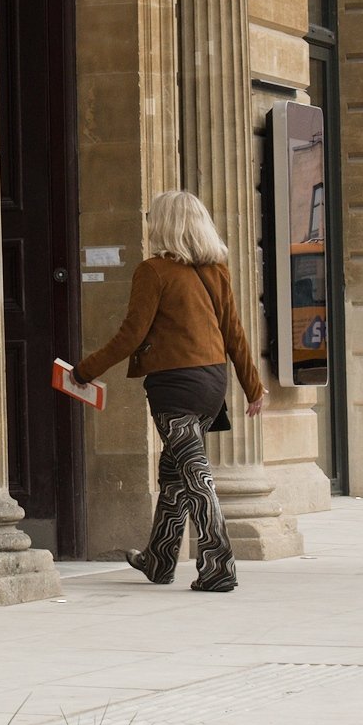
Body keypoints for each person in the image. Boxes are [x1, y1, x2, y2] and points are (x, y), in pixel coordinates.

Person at [70, 190, 266, 593]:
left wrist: (85, 371)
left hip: (175, 388)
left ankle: (218, 565)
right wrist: (253, 387)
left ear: (165, 224)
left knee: (196, 475)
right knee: (175, 473)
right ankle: (158, 558)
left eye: (152, 216)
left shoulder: (153, 271)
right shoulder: (216, 271)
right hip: (212, 384)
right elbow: (235, 334)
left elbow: (131, 335)